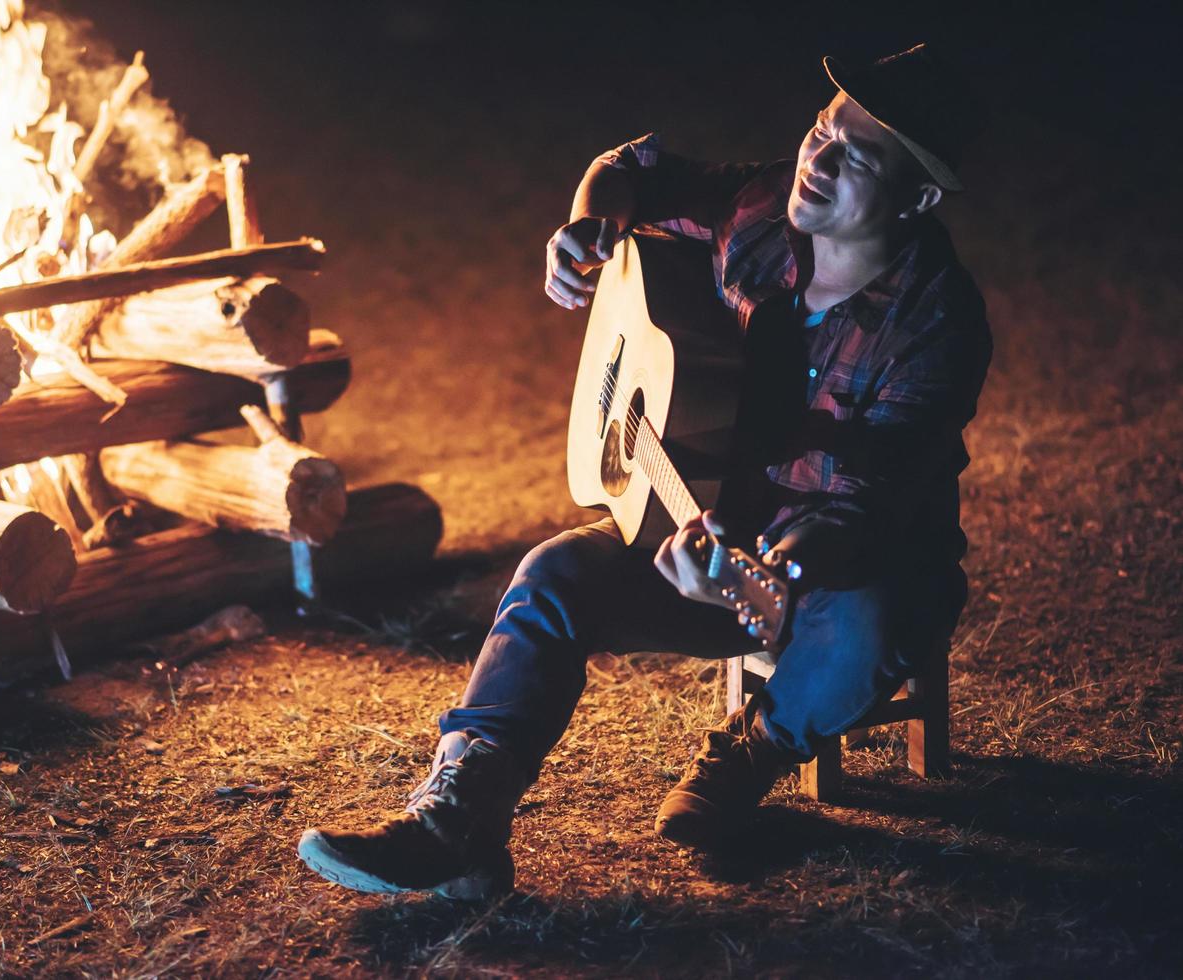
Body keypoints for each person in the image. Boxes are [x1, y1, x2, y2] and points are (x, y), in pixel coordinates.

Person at [298, 43, 992, 899]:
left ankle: (751, 750)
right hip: (703, 517)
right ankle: (460, 816)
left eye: (857, 157)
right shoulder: (763, 208)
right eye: (821, 130)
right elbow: (631, 166)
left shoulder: (936, 323)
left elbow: (864, 511)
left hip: (848, 563)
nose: (819, 160)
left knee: (867, 626)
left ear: (916, 197)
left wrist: (759, 576)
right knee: (552, 573)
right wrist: (589, 224)